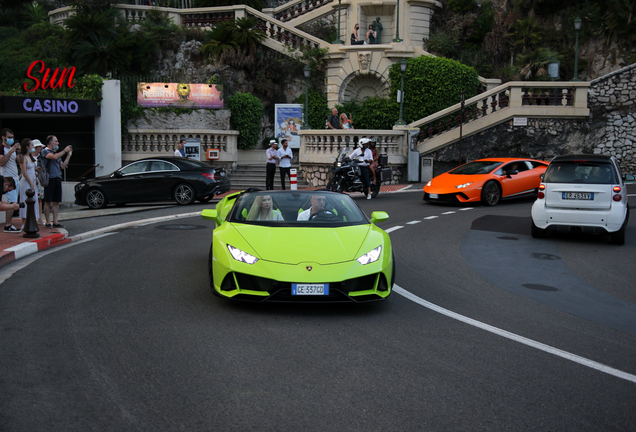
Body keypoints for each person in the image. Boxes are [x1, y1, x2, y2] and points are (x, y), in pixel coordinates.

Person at [42, 135, 72, 229]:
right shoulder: (45, 151)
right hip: (49, 178)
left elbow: (62, 166)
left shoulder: (56, 153)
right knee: (48, 201)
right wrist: (65, 151)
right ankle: (47, 221)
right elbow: (54, 157)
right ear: (50, 143)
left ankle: (55, 221)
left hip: (57, 178)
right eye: (56, 141)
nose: (57, 143)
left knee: (56, 201)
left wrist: (68, 155)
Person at [1, 128, 21, 233]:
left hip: (15, 178)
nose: (11, 139)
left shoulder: (13, 149)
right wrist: (11, 151)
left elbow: (19, 161)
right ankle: (8, 225)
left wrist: (18, 151)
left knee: (14, 202)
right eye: (9, 137)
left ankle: (9, 223)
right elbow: (1, 162)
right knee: (11, 202)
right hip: (7, 178)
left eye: (12, 137)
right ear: (3, 137)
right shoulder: (1, 148)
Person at [17, 138, 38, 230]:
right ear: (27, 146)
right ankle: (23, 222)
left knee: (35, 200)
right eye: (32, 145)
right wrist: (31, 183)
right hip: (26, 181)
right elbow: (24, 172)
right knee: (25, 199)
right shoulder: (23, 157)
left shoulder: (31, 157)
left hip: (33, 178)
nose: (33, 147)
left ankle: (34, 220)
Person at [32, 139, 45, 225]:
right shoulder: (30, 157)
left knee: (40, 199)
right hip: (32, 179)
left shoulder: (41, 157)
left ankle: (40, 217)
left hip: (40, 180)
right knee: (32, 199)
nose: (40, 148)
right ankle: (33, 217)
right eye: (39, 146)